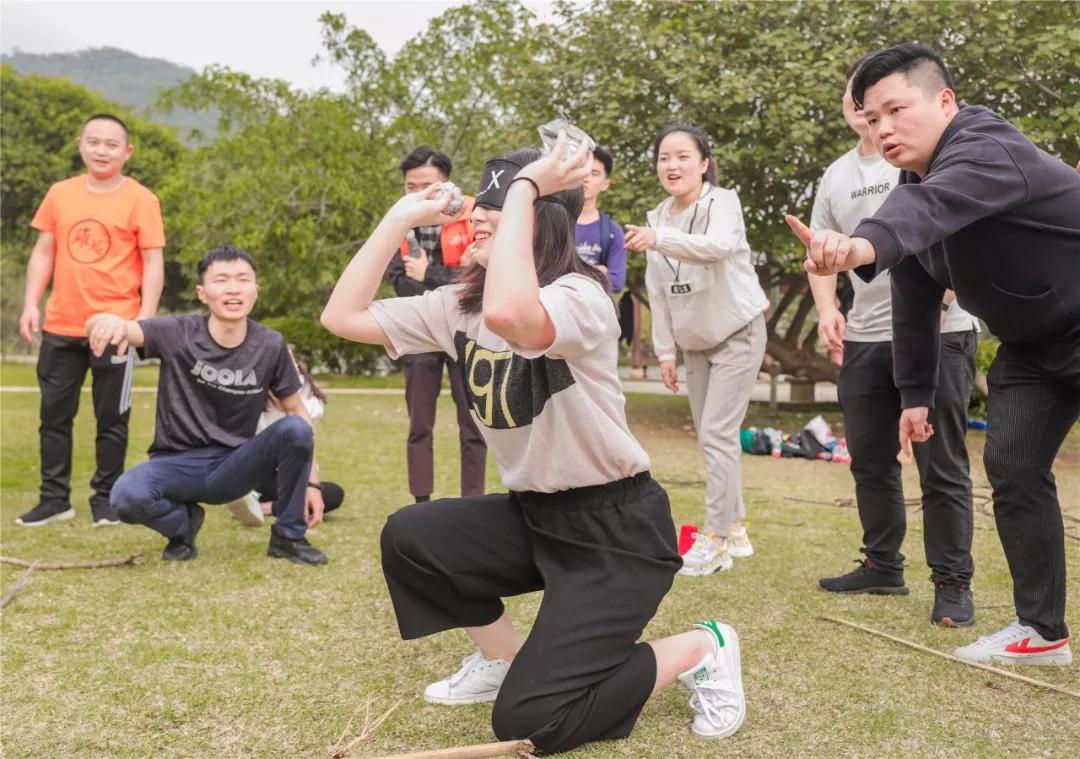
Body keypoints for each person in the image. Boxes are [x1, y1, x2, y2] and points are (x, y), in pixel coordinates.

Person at [321, 135, 746, 753]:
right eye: (485, 207)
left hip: (617, 533)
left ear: (538, 219)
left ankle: (702, 647)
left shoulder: (581, 297)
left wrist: (523, 188)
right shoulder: (457, 305)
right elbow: (341, 317)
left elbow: (514, 316)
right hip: (536, 516)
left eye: (499, 208)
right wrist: (399, 219)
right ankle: (505, 660)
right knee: (413, 536)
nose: (478, 218)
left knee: (530, 722)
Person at [786, 43, 1079, 665]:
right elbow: (914, 295)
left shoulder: (986, 146)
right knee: (1013, 467)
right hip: (1031, 347)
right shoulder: (913, 184)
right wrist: (916, 395)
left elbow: (926, 210)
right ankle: (1042, 630)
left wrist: (860, 246)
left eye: (896, 109)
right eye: (871, 119)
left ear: (945, 100)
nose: (883, 128)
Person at [809, 55, 980, 627]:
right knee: (870, 460)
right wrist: (828, 307)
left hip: (940, 333)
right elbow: (818, 250)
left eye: (888, 105)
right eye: (861, 102)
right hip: (865, 337)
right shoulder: (836, 175)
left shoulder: (931, 160)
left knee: (942, 464)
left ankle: (953, 584)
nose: (874, 116)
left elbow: (957, 225)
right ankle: (883, 565)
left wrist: (950, 289)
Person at [87, 245, 328, 565]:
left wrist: (312, 482)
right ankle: (182, 527)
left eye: (243, 279)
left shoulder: (270, 344)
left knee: (295, 427)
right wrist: (105, 321)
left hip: (234, 466)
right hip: (175, 464)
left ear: (256, 289)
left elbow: (297, 412)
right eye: (221, 280)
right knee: (126, 497)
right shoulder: (177, 331)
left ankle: (288, 537)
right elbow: (126, 328)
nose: (233, 288)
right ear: (203, 292)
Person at [626, 125, 769, 576]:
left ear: (704, 163)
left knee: (716, 434)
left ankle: (716, 540)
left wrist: (660, 238)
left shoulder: (722, 203)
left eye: (683, 156)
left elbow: (718, 248)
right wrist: (665, 353)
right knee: (714, 436)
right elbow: (659, 291)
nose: (673, 165)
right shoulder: (656, 218)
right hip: (695, 344)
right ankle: (738, 528)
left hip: (737, 332)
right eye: (664, 157)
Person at [16, 113, 165, 528]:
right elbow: (44, 251)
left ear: (127, 152)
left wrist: (144, 322)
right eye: (94, 142)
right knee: (54, 416)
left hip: (116, 329)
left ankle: (107, 500)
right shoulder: (60, 194)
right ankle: (53, 499)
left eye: (111, 144)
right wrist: (31, 302)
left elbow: (153, 262)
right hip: (62, 325)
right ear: (81, 144)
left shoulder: (141, 199)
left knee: (112, 420)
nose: (102, 150)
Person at [384, 146, 487, 503]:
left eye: (426, 184)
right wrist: (451, 279)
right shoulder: (400, 221)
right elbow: (397, 280)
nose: (418, 193)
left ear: (447, 184)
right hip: (419, 331)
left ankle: (473, 501)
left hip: (466, 328)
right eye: (410, 186)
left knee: (473, 424)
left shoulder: (476, 215)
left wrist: (429, 273)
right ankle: (421, 500)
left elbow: (479, 278)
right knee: (419, 424)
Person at [226, 354, 346, 526]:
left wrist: (311, 483)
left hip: (290, 474)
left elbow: (306, 440)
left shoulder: (308, 400)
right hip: (258, 474)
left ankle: (266, 508)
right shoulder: (252, 398)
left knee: (333, 493)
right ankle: (266, 503)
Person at [575, 145, 627, 294]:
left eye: (594, 173)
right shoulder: (555, 224)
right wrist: (599, 270)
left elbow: (616, 283)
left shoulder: (612, 231)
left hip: (595, 315)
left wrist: (572, 273)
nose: (586, 178)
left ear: (605, 184)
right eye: (582, 170)